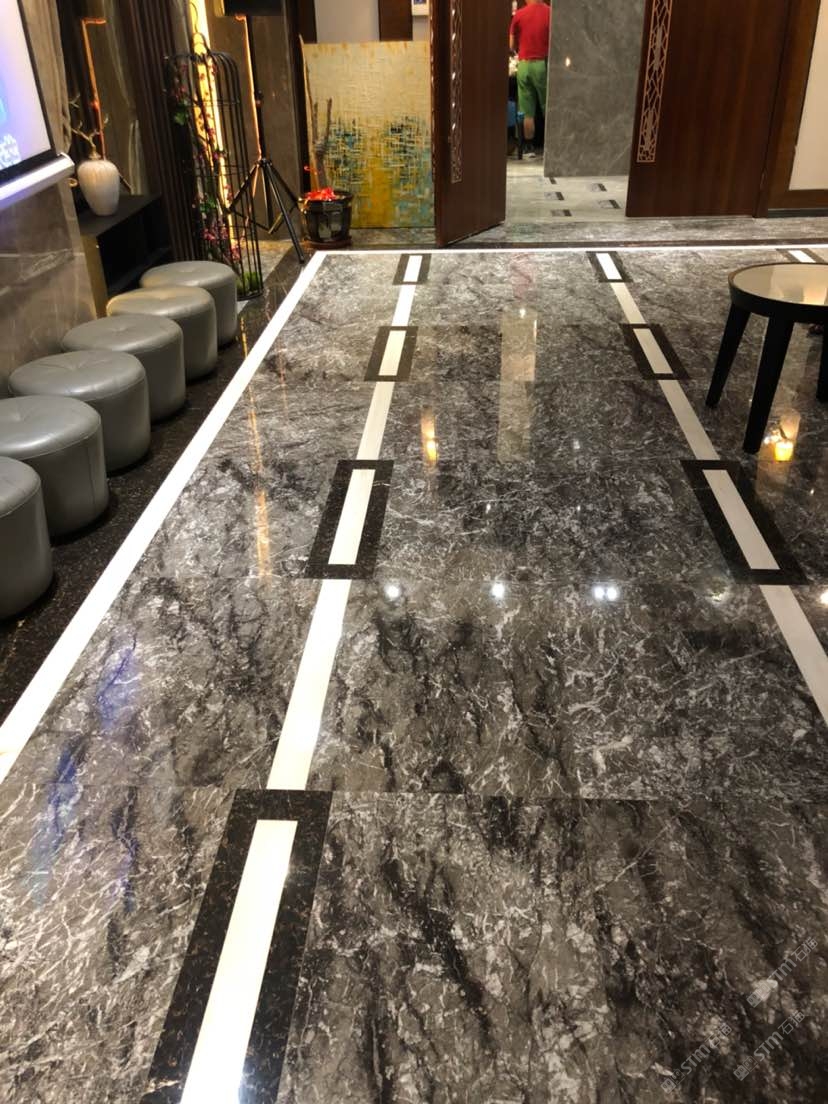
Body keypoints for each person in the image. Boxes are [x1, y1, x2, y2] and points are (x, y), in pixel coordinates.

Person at [509, 0, 551, 157]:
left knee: (527, 110)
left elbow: (511, 45)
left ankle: (528, 147)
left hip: (524, 65)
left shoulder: (519, 14)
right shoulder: (550, 12)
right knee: (548, 107)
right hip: (542, 64)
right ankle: (551, 146)